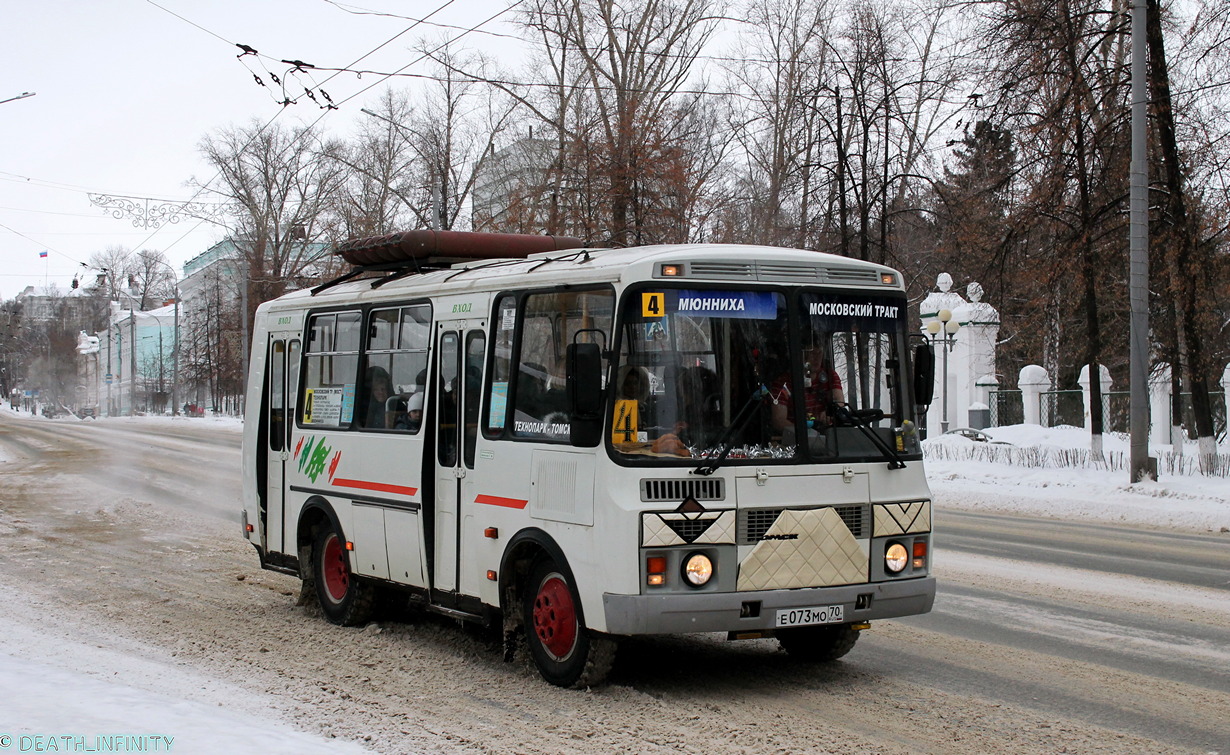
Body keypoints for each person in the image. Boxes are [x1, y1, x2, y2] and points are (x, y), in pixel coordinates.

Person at [770, 339, 845, 442]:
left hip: (828, 441)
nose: (817, 358)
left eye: (820, 353)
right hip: (796, 443)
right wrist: (807, 434)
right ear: (800, 354)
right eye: (812, 353)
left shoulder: (829, 376)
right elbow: (779, 420)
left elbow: (839, 403)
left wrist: (830, 414)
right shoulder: (784, 383)